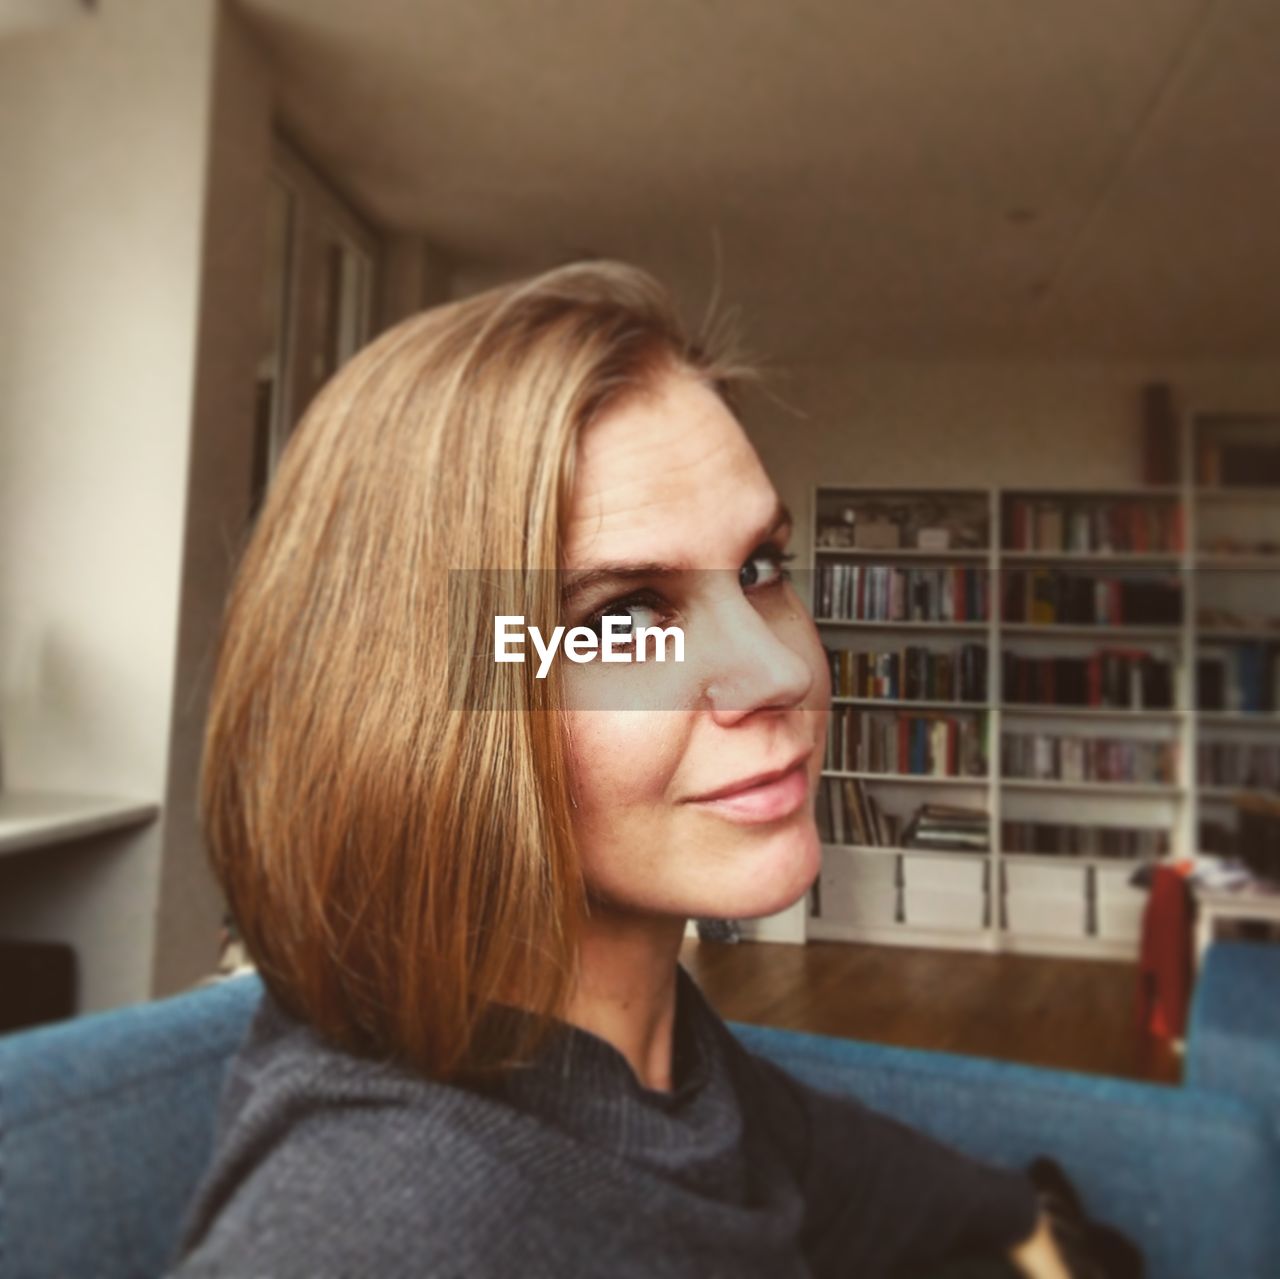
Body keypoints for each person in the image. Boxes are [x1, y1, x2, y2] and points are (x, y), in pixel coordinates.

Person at [166, 261, 1075, 1278]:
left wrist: (1039, 1242)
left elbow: (954, 1198)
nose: (780, 669)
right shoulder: (378, 1225)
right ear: (415, 706)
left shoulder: (654, 1054)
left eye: (759, 569)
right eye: (624, 615)